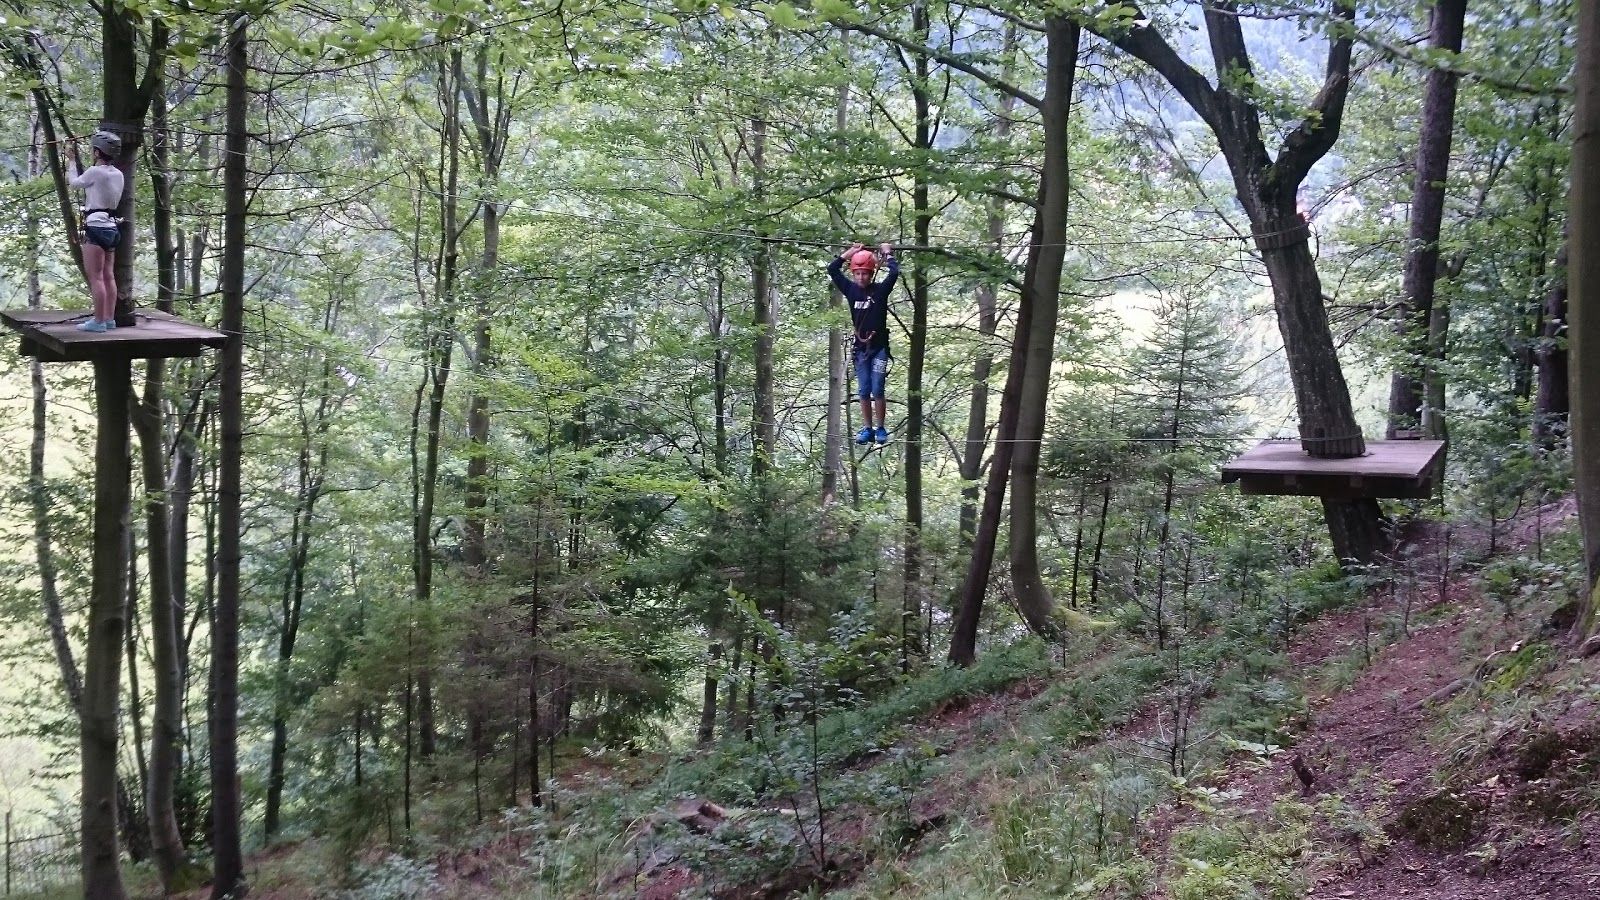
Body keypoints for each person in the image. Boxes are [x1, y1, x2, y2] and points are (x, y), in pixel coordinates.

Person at [828, 241, 898, 445]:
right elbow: (832, 269)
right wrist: (850, 252)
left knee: (878, 389)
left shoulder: (880, 291)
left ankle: (881, 428)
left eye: (865, 273)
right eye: (858, 273)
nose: (861, 277)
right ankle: (868, 428)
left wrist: (888, 254)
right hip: (860, 350)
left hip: (879, 349)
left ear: (871, 273)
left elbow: (893, 274)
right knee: (863, 390)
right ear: (853, 273)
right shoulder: (850, 290)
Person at [68, 130, 125, 333]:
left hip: (96, 227)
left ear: (98, 152)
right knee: (108, 275)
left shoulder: (95, 172)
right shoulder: (118, 174)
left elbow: (74, 184)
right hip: (112, 227)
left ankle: (98, 322)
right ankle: (109, 319)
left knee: (96, 277)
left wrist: (72, 161)